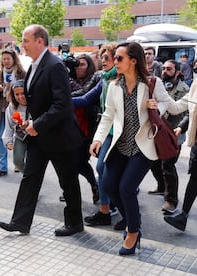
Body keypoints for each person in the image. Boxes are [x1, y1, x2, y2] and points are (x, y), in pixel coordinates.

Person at [0, 24, 84, 236]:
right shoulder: (35, 64)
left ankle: (74, 223)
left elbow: (62, 104)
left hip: (58, 136)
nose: (22, 45)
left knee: (68, 181)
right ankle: (20, 221)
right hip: (39, 135)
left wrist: (37, 124)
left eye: (25, 40)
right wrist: (29, 123)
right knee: (30, 177)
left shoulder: (54, 65)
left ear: (39, 41)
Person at [89, 41, 173, 255]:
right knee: (108, 186)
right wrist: (98, 139)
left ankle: (133, 232)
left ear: (133, 61)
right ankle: (131, 219)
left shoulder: (152, 84)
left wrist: (157, 106)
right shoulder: (114, 86)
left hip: (142, 147)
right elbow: (108, 115)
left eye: (119, 58)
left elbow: (170, 105)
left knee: (127, 188)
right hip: (120, 145)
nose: (113, 61)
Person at [71, 43, 123, 230]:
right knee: (102, 169)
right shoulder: (105, 79)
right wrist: (59, 101)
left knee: (117, 176)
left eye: (108, 57)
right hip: (107, 131)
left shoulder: (128, 80)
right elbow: (85, 98)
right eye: (102, 58)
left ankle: (123, 213)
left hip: (124, 134)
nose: (103, 61)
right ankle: (105, 210)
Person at [148, 60, 189, 216]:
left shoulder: (185, 90)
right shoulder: (158, 86)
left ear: (177, 72)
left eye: (169, 69)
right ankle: (161, 187)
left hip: (174, 133)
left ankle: (171, 201)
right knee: (153, 162)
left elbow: (188, 112)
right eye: (163, 68)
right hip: (158, 132)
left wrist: (181, 127)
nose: (164, 71)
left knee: (168, 166)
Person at [163, 79, 197, 231]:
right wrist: (181, 127)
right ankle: (183, 215)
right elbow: (182, 108)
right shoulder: (196, 86)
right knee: (195, 178)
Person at [0, 47, 26, 177]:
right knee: (2, 137)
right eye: (4, 59)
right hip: (2, 109)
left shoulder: (21, 72)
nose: (6, 61)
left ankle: (19, 163)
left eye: (8, 58)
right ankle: (2, 166)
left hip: (18, 109)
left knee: (20, 136)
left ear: (14, 59)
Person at [71, 54, 100, 205]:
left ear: (89, 65)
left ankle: (95, 186)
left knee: (80, 162)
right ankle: (71, 190)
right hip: (70, 128)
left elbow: (85, 95)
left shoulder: (94, 79)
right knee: (71, 162)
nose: (78, 67)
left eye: (82, 64)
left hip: (87, 129)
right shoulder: (71, 79)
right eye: (76, 64)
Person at [2, 80, 27, 173]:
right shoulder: (12, 107)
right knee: (17, 160)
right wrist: (8, 141)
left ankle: (31, 178)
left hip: (35, 136)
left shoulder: (35, 103)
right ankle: (28, 175)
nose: (20, 97)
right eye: (17, 94)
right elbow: (9, 126)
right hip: (21, 135)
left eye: (23, 93)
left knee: (32, 161)